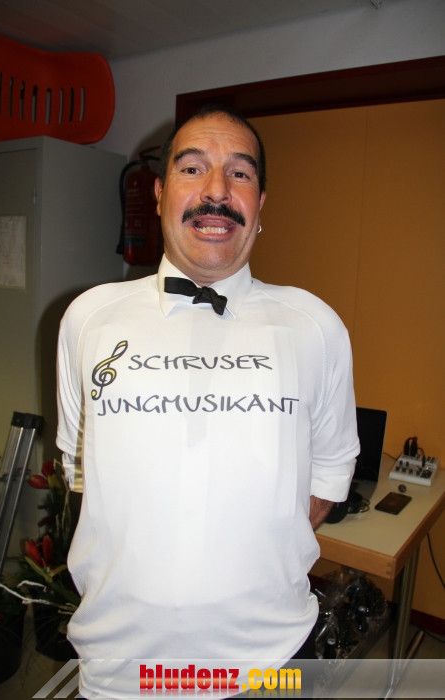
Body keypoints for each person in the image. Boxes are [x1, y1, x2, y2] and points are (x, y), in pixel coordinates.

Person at [56, 105, 359, 698]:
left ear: (260, 203)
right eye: (193, 169)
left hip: (268, 661)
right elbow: (85, 473)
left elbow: (327, 478)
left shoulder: (315, 326)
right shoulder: (88, 318)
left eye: (239, 174)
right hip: (121, 667)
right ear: (161, 194)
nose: (217, 191)